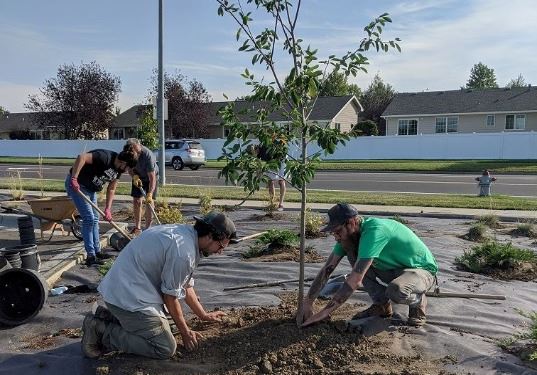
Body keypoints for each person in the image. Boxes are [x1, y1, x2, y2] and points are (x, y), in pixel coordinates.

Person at [81, 211, 237, 359]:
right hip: (129, 299)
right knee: (164, 347)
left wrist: (203, 315)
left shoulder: (186, 235)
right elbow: (170, 297)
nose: (220, 252)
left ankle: (109, 317)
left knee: (170, 324)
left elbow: (185, 285)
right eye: (221, 246)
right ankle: (101, 330)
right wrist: (185, 332)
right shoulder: (184, 253)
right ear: (210, 236)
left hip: (124, 291)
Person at [298, 203, 438, 328]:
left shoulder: (375, 231)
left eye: (338, 231)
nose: (336, 236)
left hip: (420, 271)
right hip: (392, 270)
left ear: (351, 222)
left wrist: (324, 313)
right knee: (352, 253)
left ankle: (417, 301)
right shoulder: (350, 238)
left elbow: (355, 280)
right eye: (333, 232)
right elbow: (327, 270)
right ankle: (381, 305)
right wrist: (308, 302)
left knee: (395, 290)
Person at [66, 147, 138, 266]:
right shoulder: (104, 157)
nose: (127, 171)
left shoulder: (118, 170)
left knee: (95, 219)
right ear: (123, 162)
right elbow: (81, 157)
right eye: (128, 168)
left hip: (91, 189)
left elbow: (112, 189)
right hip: (78, 186)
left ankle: (97, 251)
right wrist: (74, 178)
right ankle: (91, 256)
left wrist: (108, 209)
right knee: (89, 219)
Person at [125, 138, 158, 235]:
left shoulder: (147, 155)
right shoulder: (129, 154)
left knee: (149, 202)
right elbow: (129, 169)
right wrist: (134, 177)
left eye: (137, 150)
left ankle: (147, 229)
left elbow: (152, 177)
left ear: (140, 145)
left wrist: (150, 193)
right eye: (133, 151)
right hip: (138, 176)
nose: (136, 153)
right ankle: (137, 227)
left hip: (150, 178)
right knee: (137, 200)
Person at [258, 144, 287, 211]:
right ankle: (272, 203)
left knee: (281, 180)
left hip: (281, 158)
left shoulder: (281, 137)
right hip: (269, 158)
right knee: (270, 180)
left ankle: (281, 203)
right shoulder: (265, 139)